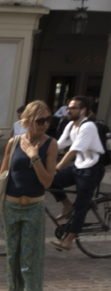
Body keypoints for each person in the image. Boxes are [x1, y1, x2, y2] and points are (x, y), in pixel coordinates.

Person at [0, 100, 57, 291]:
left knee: (30, 256)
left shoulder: (50, 144)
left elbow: (47, 181)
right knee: (12, 255)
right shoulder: (14, 142)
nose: (45, 124)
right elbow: (2, 174)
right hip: (11, 206)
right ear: (26, 121)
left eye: (48, 119)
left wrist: (34, 156)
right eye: (40, 120)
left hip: (33, 207)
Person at [47, 96, 106, 253]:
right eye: (68, 107)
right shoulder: (71, 125)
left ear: (83, 110)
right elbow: (58, 144)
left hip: (91, 169)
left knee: (81, 205)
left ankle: (68, 241)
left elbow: (72, 151)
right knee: (49, 179)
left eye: (73, 108)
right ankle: (67, 206)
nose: (69, 110)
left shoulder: (88, 127)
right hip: (79, 166)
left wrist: (57, 167)